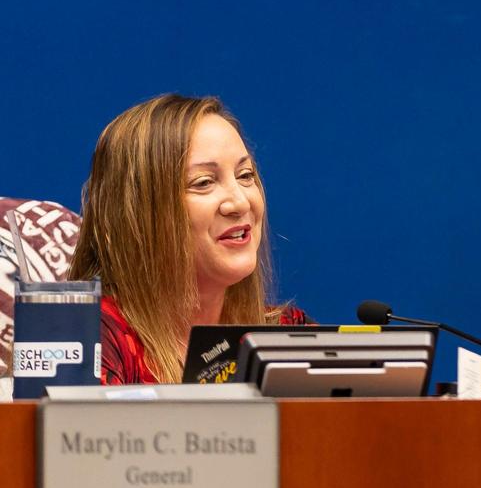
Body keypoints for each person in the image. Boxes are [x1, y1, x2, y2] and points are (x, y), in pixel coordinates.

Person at [69, 94, 309, 385]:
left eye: (245, 175)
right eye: (204, 182)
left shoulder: (286, 336)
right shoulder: (91, 338)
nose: (240, 202)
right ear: (136, 214)